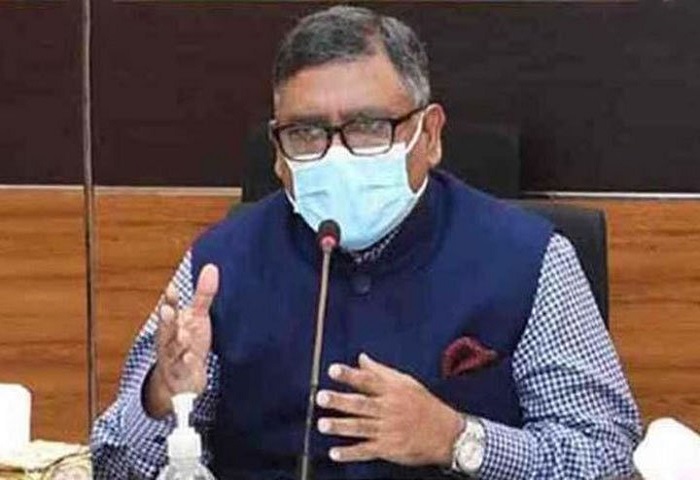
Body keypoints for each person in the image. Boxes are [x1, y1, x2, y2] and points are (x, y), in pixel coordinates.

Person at [91, 6, 642, 479]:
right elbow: (114, 462)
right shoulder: (219, 266)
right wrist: (161, 399)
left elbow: (607, 460)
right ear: (278, 154)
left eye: (368, 127)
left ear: (429, 135)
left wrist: (456, 438)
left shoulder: (530, 259)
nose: (336, 155)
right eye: (306, 133)